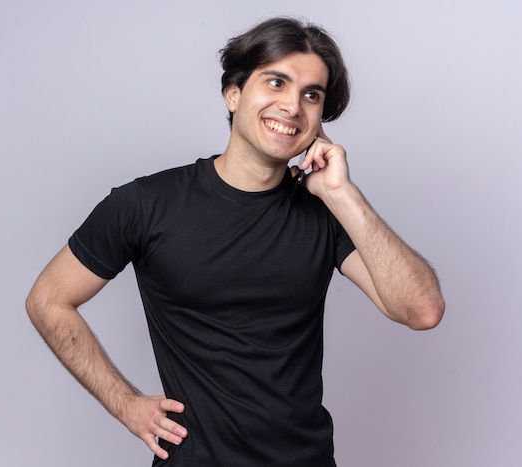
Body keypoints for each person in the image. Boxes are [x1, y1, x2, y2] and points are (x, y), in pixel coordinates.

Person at [26, 16, 445, 466]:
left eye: (311, 95)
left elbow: (421, 310)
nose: (292, 106)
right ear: (234, 92)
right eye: (276, 82)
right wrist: (126, 403)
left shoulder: (327, 214)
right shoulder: (145, 204)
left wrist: (343, 195)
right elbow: (48, 299)